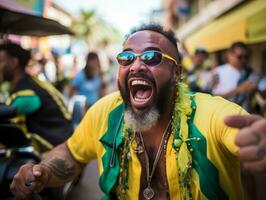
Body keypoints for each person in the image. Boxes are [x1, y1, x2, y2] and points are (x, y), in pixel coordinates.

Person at [10, 24, 266, 200]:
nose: (136, 65)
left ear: (177, 73)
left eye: (152, 57)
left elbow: (243, 131)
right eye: (127, 58)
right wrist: (42, 171)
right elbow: (72, 153)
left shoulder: (211, 114)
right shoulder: (106, 111)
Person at [0, 42, 73, 147]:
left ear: (14, 62)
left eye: (1, 61)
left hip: (52, 152)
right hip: (63, 143)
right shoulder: (34, 83)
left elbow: (7, 116)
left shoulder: (26, 93)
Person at [212, 42, 260, 110]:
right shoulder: (218, 71)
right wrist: (238, 90)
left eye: (246, 57)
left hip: (245, 115)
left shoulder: (251, 72)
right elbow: (213, 97)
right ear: (230, 55)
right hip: (226, 114)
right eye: (239, 57)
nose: (244, 60)